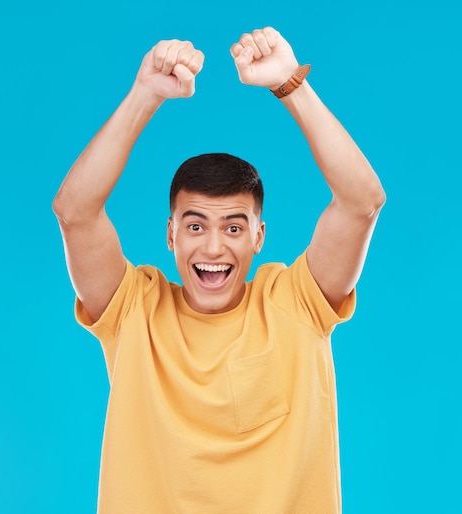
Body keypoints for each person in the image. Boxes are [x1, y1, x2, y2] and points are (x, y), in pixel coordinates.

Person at [53, 26, 385, 514]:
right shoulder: (134, 309)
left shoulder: (294, 302)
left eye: (233, 228)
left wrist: (291, 83)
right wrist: (145, 94)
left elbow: (363, 203)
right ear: (170, 236)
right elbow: (75, 212)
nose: (213, 246)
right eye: (195, 226)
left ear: (258, 237)